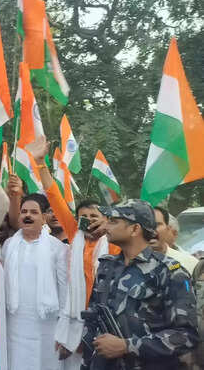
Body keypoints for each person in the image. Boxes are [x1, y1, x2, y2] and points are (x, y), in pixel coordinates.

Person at [24, 136, 121, 368]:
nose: (88, 221)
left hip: (109, 319)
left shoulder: (115, 242)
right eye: (83, 217)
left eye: (94, 216)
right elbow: (54, 196)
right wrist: (40, 163)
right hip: (75, 318)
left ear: (106, 219)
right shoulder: (75, 233)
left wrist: (109, 228)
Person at [81, 199, 199, 369]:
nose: (106, 226)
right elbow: (93, 319)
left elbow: (186, 335)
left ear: (135, 229)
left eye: (113, 221)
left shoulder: (170, 271)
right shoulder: (107, 267)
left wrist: (127, 346)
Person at [1, 193, 68, 370]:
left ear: (44, 218)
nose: (27, 216)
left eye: (33, 212)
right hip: (15, 321)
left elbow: (64, 289)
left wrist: (65, 328)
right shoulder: (9, 245)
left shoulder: (57, 247)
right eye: (24, 212)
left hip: (47, 323)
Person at [151, 206, 199, 273]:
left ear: (168, 229)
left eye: (157, 224)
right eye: (146, 224)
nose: (151, 229)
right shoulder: (134, 261)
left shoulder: (190, 263)